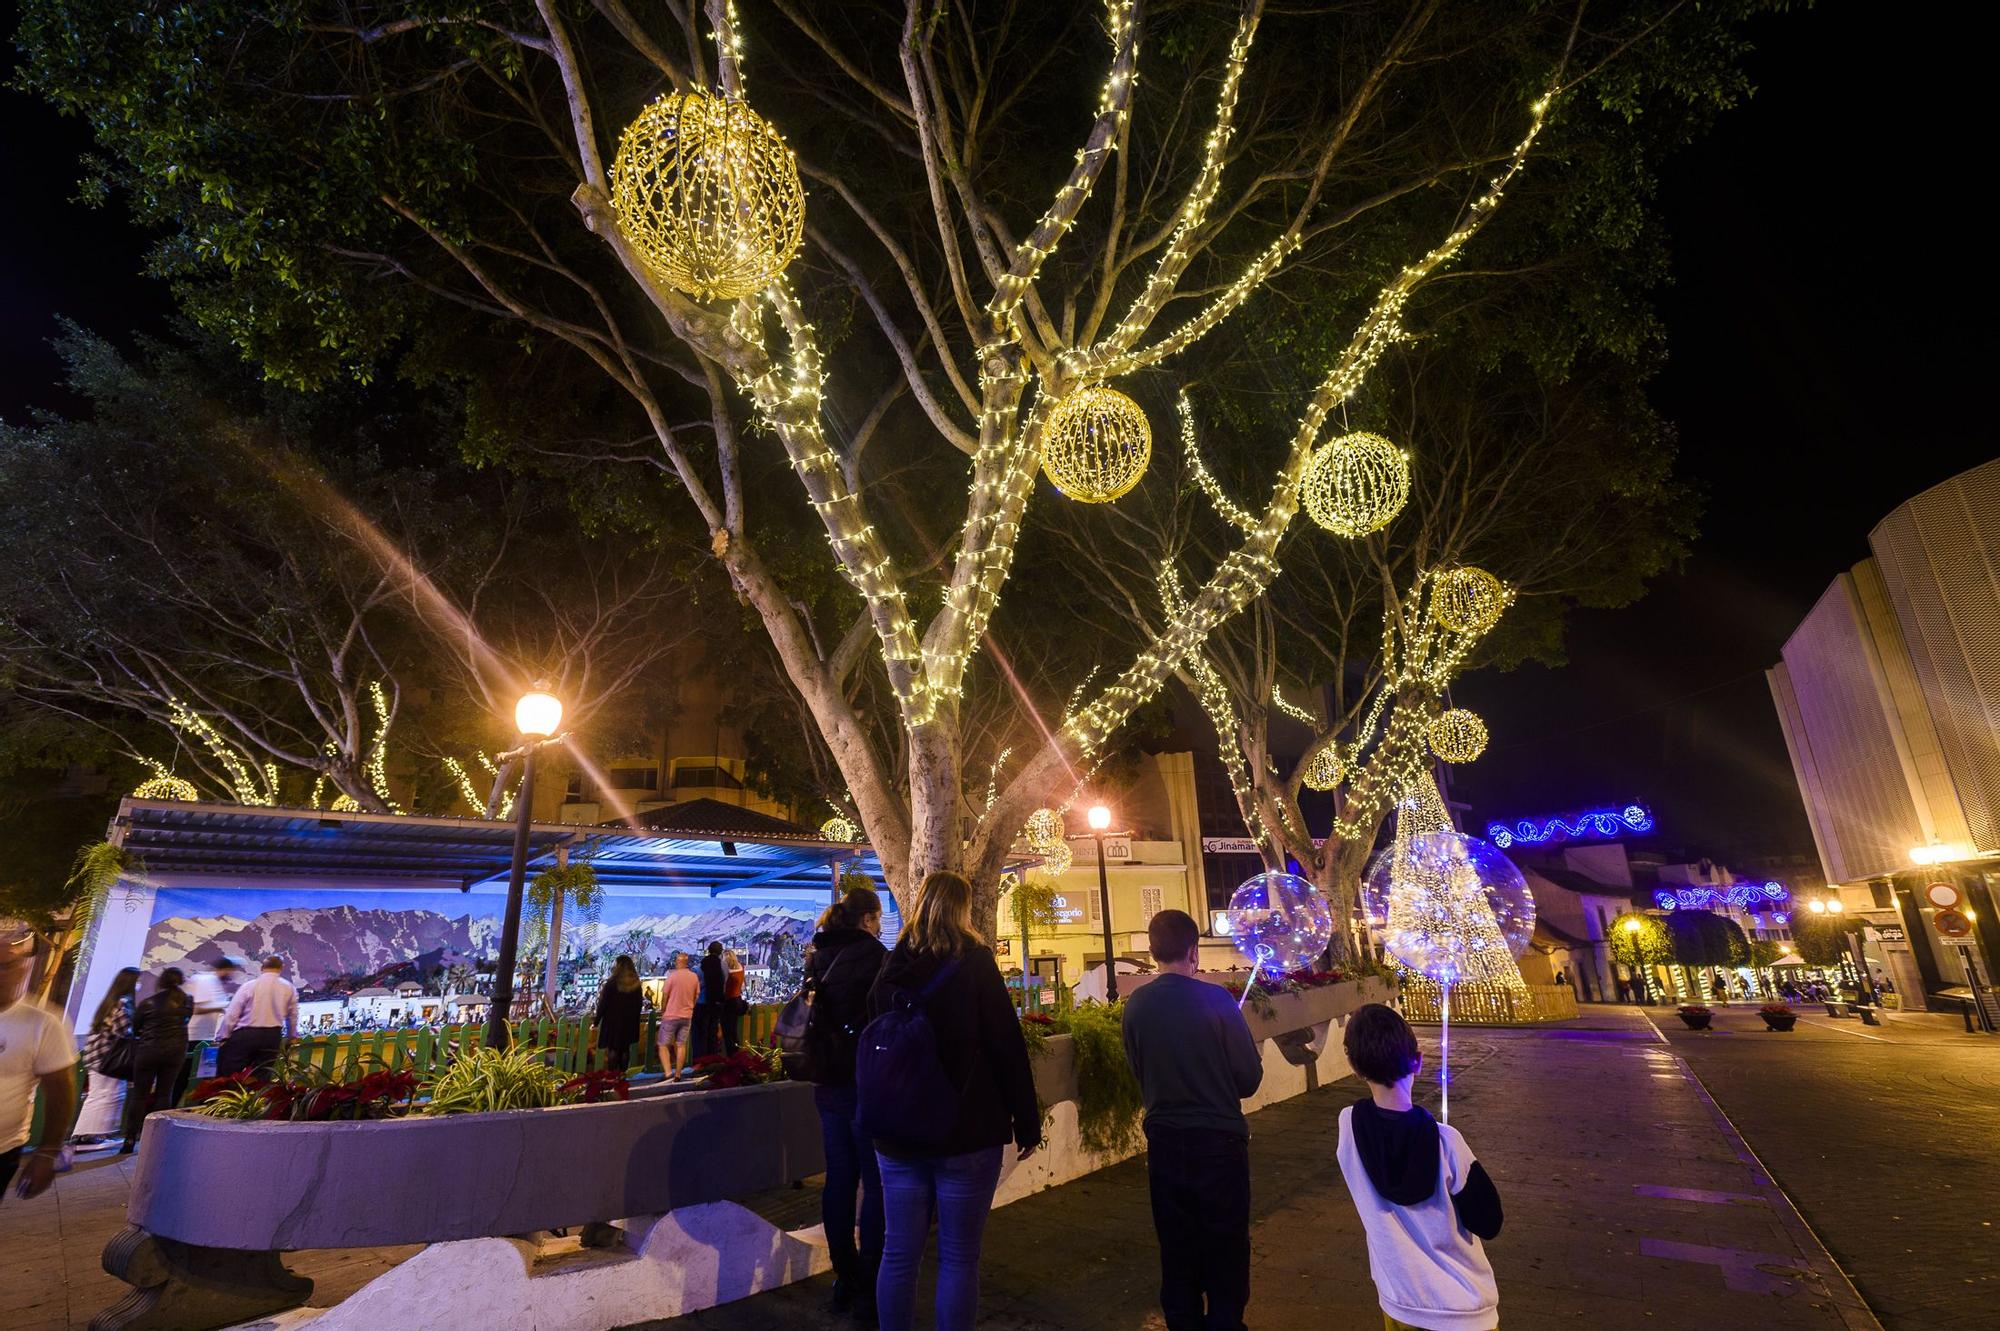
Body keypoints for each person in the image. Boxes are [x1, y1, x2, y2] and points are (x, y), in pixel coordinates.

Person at [867, 870, 1040, 1331]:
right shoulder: (975, 962)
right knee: (960, 1257)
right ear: (962, 910)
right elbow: (1006, 1044)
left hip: (899, 1131)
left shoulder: (891, 967)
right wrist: (1026, 1120)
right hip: (966, 1128)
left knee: (899, 1252)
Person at [1121, 908, 1263, 1331]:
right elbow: (1249, 1077)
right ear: (1193, 951)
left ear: (1152, 951)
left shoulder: (1137, 1005)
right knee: (1226, 1240)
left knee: (1176, 1240)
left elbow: (1137, 1069)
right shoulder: (1217, 1000)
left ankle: (1182, 1319)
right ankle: (1224, 1320)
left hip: (1165, 1139)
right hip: (1219, 1141)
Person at [1336, 1003, 1502, 1331]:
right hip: (1464, 1308)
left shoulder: (1348, 1128)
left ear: (1355, 1068)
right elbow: (1489, 1221)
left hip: (1400, 1303)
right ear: (1419, 1061)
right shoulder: (1446, 1142)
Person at [803, 886, 889, 1317]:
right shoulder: (876, 958)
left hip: (826, 1080)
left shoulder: (818, 955)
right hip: (865, 1081)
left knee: (839, 1179)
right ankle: (872, 1279)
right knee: (874, 1185)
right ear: (869, 919)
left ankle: (845, 1273)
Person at [2, 921, 77, 1202]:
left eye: (5, 966)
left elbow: (60, 1090)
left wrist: (47, 1153)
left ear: (22, 968)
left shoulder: (42, 1024)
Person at [122, 968, 193, 1155]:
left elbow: (136, 1029)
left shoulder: (148, 1003)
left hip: (148, 1051)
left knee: (139, 1095)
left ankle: (129, 1139)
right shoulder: (187, 1001)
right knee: (165, 1093)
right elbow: (186, 1022)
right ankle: (158, 1136)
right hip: (175, 1052)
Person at [71, 967, 141, 1151]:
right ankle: (88, 1138)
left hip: (96, 1055)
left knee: (97, 1095)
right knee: (104, 1095)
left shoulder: (110, 1001)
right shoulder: (123, 1002)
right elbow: (124, 1031)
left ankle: (87, 1136)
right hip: (108, 1057)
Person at [215, 956, 298, 1077]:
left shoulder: (249, 986)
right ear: (281, 968)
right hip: (272, 1035)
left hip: (246, 1034)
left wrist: (223, 1036)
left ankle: (232, 1094)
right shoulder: (289, 988)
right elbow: (293, 1016)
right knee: (262, 1075)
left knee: (232, 1073)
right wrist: (292, 1036)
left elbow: (232, 1014)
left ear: (262, 968)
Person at [594, 955, 644, 1072]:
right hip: (629, 1022)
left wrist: (596, 1021)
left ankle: (612, 1075)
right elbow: (639, 1004)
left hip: (613, 1022)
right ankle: (623, 1075)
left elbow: (603, 1004)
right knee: (625, 1049)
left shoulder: (612, 983)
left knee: (613, 1049)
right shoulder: (636, 984)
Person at [655, 953, 700, 1076]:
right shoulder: (694, 977)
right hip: (686, 1015)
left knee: (663, 1044)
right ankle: (678, 1074)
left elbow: (665, 996)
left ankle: (668, 1071)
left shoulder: (672, 976)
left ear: (677, 962)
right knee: (681, 1045)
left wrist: (663, 1010)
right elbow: (696, 996)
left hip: (671, 1015)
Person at [187, 956, 241, 1045]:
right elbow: (196, 1008)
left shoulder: (216, 983)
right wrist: (223, 1006)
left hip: (206, 1036)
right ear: (226, 970)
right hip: (195, 1037)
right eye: (231, 971)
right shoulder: (205, 980)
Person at [691, 941, 726, 1062]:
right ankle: (713, 1056)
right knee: (713, 1030)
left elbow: (696, 985)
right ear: (720, 951)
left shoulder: (701, 966)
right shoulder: (722, 965)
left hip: (702, 1002)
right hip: (716, 1001)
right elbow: (725, 981)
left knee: (701, 1032)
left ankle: (700, 1058)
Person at [720, 946, 747, 1055]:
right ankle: (736, 1052)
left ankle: (731, 1054)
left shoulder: (726, 971)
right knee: (733, 1030)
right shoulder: (740, 967)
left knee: (727, 1031)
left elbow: (724, 987)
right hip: (737, 1000)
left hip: (728, 1002)